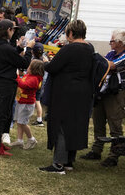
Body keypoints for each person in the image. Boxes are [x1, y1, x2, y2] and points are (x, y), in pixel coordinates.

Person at [40, 20, 95, 174]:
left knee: (61, 127)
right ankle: (69, 161)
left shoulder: (69, 48)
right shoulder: (90, 48)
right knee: (75, 126)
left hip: (66, 92)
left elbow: (53, 67)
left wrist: (45, 61)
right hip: (83, 92)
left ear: (71, 33)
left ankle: (58, 164)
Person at [0, 19, 34, 155]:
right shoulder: (5, 47)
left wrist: (19, 48)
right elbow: (24, 63)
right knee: (2, 115)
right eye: (13, 29)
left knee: (3, 113)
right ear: (8, 30)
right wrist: (29, 49)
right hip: (5, 84)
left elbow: (9, 58)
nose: (14, 32)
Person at [80, 28, 125, 167]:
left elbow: (109, 66)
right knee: (98, 121)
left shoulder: (123, 56)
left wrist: (94, 54)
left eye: (112, 40)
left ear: (120, 42)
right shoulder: (111, 53)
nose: (110, 43)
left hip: (116, 94)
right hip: (103, 91)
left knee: (115, 123)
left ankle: (113, 156)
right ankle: (96, 150)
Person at [10, 59, 45, 149]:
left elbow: (23, 84)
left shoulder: (35, 79)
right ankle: (20, 140)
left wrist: (16, 76)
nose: (27, 67)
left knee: (23, 122)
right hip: (21, 101)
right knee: (19, 121)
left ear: (34, 69)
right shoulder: (29, 75)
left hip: (27, 104)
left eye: (29, 66)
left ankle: (31, 139)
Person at [31, 42, 49, 127]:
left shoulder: (33, 61)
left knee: (36, 101)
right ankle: (39, 119)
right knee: (37, 100)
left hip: (34, 82)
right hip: (41, 83)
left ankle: (39, 120)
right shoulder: (44, 60)